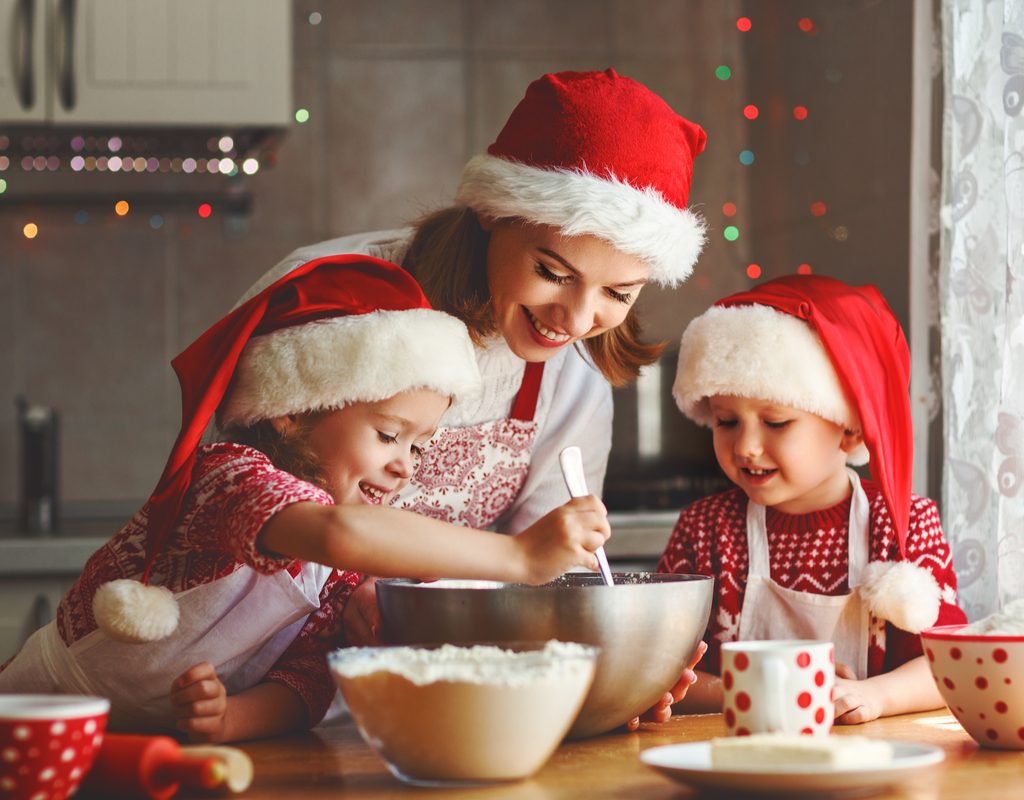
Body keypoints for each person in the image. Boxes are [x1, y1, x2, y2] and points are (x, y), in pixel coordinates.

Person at [238, 68, 710, 728]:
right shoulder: (327, 297)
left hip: (426, 703)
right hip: (239, 690)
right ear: (490, 214)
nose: (575, 320)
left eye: (618, 293)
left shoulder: (570, 382)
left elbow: (538, 582)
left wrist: (614, 677)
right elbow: (224, 492)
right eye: (553, 273)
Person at [0, 255, 612, 743]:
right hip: (31, 714)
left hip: (143, 752)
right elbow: (333, 533)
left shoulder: (344, 566)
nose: (405, 464)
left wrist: (232, 719)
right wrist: (521, 558)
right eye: (388, 434)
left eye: (421, 447)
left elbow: (307, 680)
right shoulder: (231, 477)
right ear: (292, 410)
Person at [658, 274, 968, 724]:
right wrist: (769, 691)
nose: (746, 446)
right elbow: (661, 674)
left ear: (851, 428)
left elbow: (949, 664)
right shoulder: (705, 529)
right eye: (726, 421)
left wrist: (874, 696)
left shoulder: (903, 525)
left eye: (776, 422)